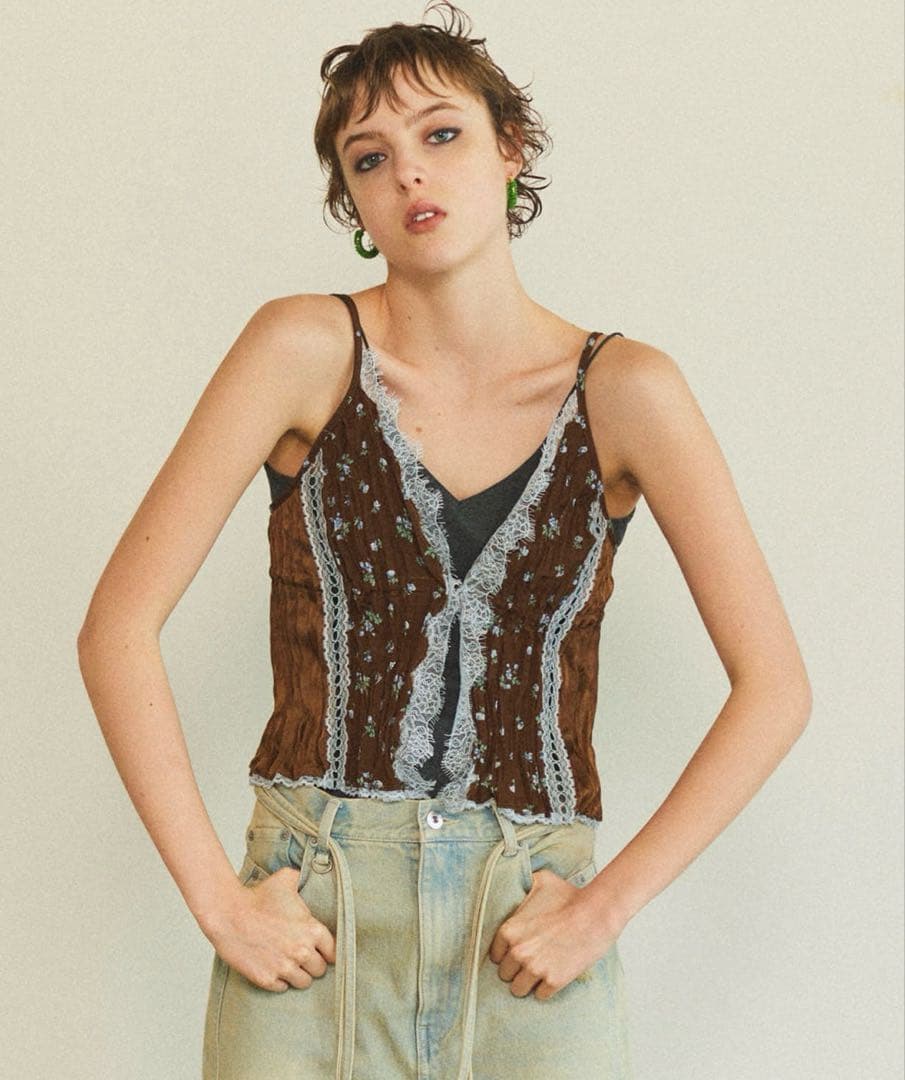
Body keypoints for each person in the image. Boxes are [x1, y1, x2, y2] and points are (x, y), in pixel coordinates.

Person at [76, 3, 812, 1077]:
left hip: (528, 933)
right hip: (313, 920)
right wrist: (218, 904)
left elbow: (774, 687)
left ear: (510, 148)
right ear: (354, 204)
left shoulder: (628, 390)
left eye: (442, 133)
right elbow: (116, 629)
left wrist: (602, 907)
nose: (410, 173)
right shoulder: (300, 347)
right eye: (369, 158)